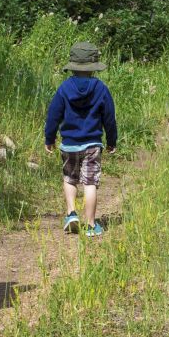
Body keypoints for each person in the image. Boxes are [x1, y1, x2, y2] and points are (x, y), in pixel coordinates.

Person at [44, 41, 117, 238]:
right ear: (93, 67)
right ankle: (91, 225)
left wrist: (49, 138)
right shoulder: (100, 88)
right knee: (90, 183)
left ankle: (71, 214)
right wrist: (112, 140)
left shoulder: (64, 88)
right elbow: (109, 117)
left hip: (69, 144)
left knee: (69, 179)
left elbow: (53, 115)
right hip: (93, 144)